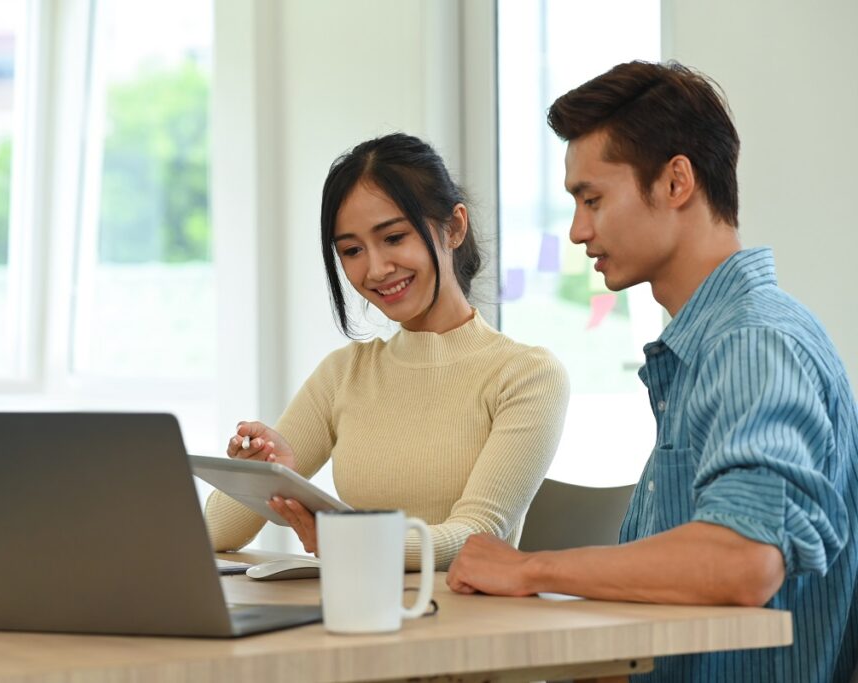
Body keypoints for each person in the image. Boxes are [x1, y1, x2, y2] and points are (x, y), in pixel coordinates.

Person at [446, 60, 858, 681]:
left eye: (592, 199)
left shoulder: (752, 345)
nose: (580, 231)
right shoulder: (711, 346)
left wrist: (530, 569)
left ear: (676, 182)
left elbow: (742, 561)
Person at [205, 133, 569, 570]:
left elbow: (474, 536)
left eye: (394, 237)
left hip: (467, 625)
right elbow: (217, 533)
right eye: (353, 250)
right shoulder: (343, 374)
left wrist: (348, 538)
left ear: (453, 228)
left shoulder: (526, 374)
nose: (375, 269)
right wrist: (269, 477)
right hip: (359, 613)